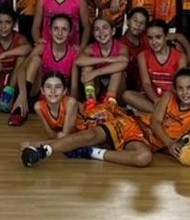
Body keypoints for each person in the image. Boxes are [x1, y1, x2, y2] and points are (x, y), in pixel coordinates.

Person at [18, 72, 151, 168]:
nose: (53, 91)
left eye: (57, 87)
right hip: (88, 127)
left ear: (65, 91)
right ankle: (49, 149)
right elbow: (52, 134)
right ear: (42, 90)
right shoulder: (39, 106)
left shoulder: (70, 103)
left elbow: (66, 135)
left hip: (96, 119)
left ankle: (43, 149)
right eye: (48, 87)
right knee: (79, 137)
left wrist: (35, 143)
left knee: (84, 135)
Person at [147, 68, 190, 162]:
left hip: (153, 144)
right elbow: (155, 122)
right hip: (143, 130)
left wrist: (187, 141)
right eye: (180, 88)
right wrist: (170, 143)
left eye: (189, 88)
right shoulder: (168, 96)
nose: (185, 92)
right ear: (175, 89)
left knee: (143, 156)